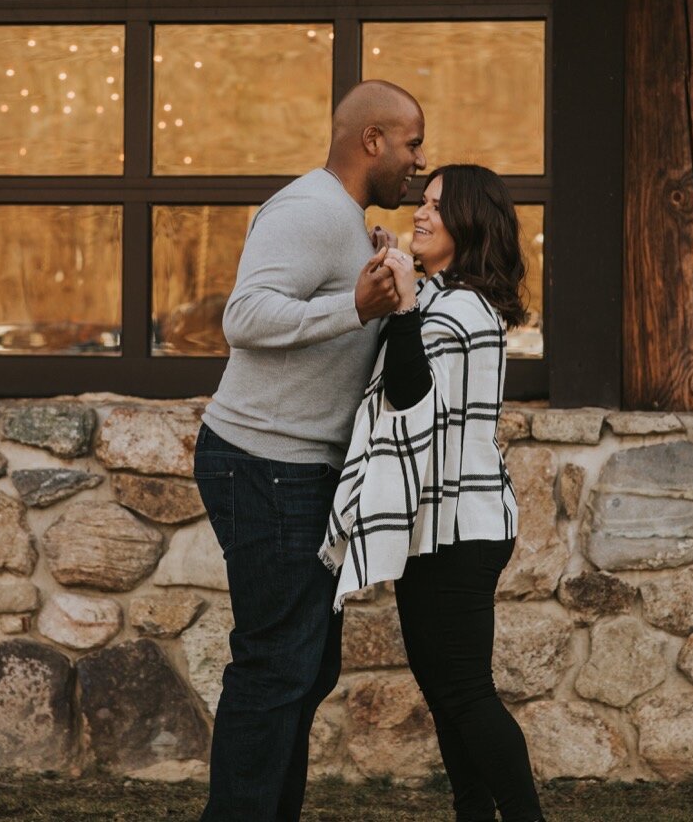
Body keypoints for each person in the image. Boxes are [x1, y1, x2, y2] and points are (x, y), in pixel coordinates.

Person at [193, 80, 426, 822]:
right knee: (275, 668)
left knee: (303, 666)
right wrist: (356, 305)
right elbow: (247, 315)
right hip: (265, 465)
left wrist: (377, 272)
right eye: (412, 144)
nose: (419, 162)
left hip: (295, 469)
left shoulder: (346, 223)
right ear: (371, 141)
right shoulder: (309, 210)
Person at [321, 165, 544, 822]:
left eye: (437, 206)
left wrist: (406, 302)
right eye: (423, 200)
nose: (421, 211)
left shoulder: (462, 308)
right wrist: (399, 284)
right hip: (437, 524)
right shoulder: (443, 296)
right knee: (447, 694)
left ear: (469, 223)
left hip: (461, 527)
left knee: (466, 693)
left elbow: (410, 395)